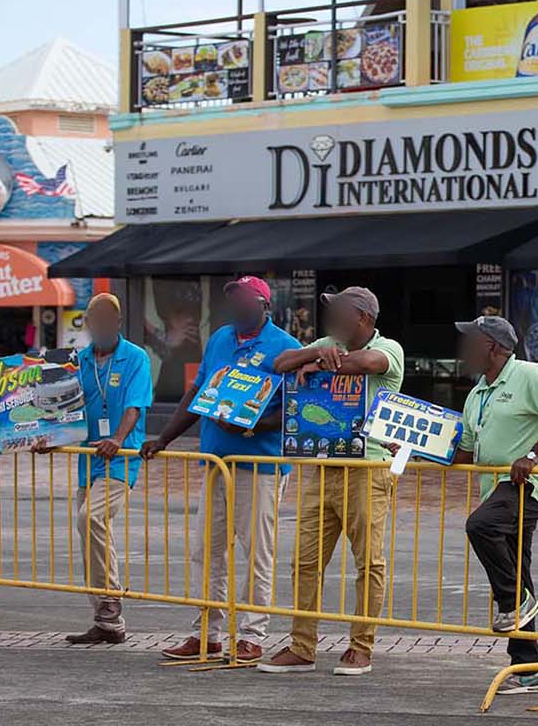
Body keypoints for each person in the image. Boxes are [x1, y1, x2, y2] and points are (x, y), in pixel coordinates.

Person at [144, 275, 301, 664]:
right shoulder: (219, 340)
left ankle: (252, 634)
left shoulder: (287, 347)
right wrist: (163, 437)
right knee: (206, 551)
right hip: (216, 463)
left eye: (246, 300)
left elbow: (298, 412)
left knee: (255, 553)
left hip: (260, 466)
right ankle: (206, 634)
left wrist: (253, 424)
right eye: (232, 300)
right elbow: (197, 393)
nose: (237, 307)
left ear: (264, 305)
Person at [262, 287, 404, 676]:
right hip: (322, 464)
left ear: (363, 318)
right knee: (305, 561)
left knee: (368, 562)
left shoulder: (389, 346)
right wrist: (315, 354)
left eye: (340, 311)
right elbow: (282, 362)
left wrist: (327, 362)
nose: (333, 319)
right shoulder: (328, 343)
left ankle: (361, 647)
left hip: (368, 469)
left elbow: (371, 363)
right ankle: (301, 646)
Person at [452, 315, 538, 695]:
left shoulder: (530, 374)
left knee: (481, 527)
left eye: (472, 340)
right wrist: (410, 448)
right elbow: (464, 452)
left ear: (492, 346)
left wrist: (533, 454)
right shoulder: (478, 392)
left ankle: (515, 602)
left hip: (526, 486)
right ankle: (529, 668)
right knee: (514, 566)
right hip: (494, 490)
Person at [35, 293, 154, 645]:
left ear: (117, 323)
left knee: (90, 518)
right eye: (94, 318)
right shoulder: (76, 361)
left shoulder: (136, 357)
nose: (101, 324)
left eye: (108, 318)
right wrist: (48, 439)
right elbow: (62, 410)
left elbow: (135, 405)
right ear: (87, 323)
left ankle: (110, 602)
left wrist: (118, 438)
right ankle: (105, 620)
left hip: (121, 458)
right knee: (91, 532)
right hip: (89, 459)